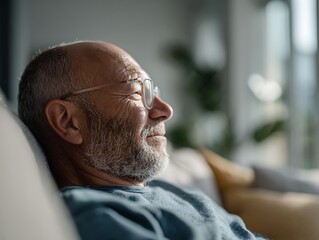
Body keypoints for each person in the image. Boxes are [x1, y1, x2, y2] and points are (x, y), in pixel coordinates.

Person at [18, 41, 267, 240]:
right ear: (68, 121)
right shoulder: (96, 214)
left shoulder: (174, 193)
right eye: (138, 92)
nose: (165, 110)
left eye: (153, 92)